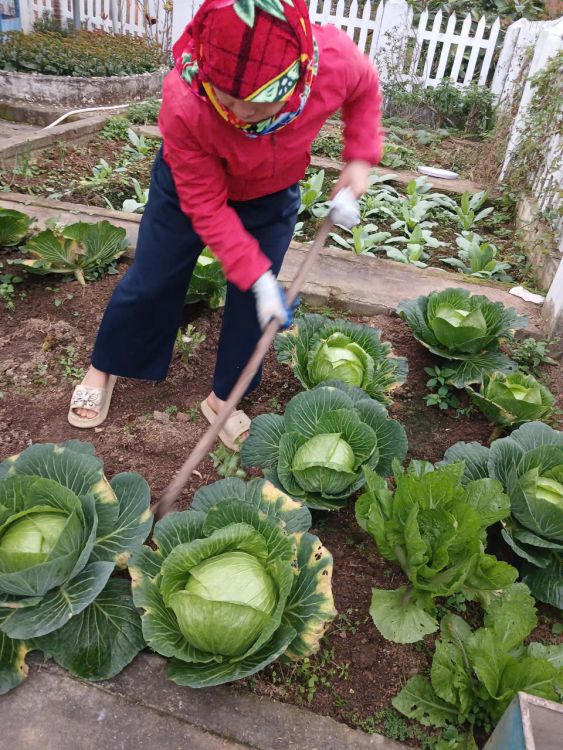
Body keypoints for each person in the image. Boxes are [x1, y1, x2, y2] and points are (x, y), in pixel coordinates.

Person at [68, 0, 383, 450]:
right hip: (190, 189)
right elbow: (206, 206)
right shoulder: (186, 99)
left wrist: (359, 159)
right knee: (153, 277)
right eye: (229, 100)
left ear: (297, 75)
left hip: (271, 190)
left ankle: (224, 398)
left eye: (257, 104)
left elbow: (365, 88)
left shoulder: (331, 60)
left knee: (253, 305)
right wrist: (254, 273)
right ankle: (105, 365)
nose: (241, 114)